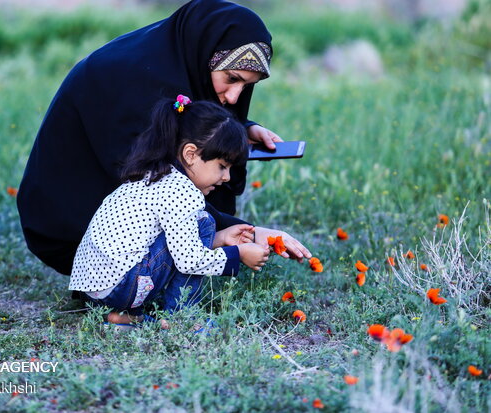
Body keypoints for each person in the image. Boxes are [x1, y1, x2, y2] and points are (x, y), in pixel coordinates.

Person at [17, 0, 312, 277]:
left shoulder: (177, 59)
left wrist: (242, 128)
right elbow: (157, 183)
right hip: (69, 221)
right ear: (206, 55)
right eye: (232, 78)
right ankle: (115, 288)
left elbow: (185, 113)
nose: (234, 96)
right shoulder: (138, 82)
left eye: (247, 86)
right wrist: (244, 231)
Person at [69, 96, 270, 326]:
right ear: (190, 154)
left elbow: (174, 241)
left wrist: (221, 239)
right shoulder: (182, 191)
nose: (226, 178)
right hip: (123, 286)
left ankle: (122, 317)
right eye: (222, 166)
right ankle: (182, 316)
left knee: (203, 224)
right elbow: (189, 261)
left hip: (94, 291)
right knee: (203, 221)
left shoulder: (154, 175)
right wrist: (238, 254)